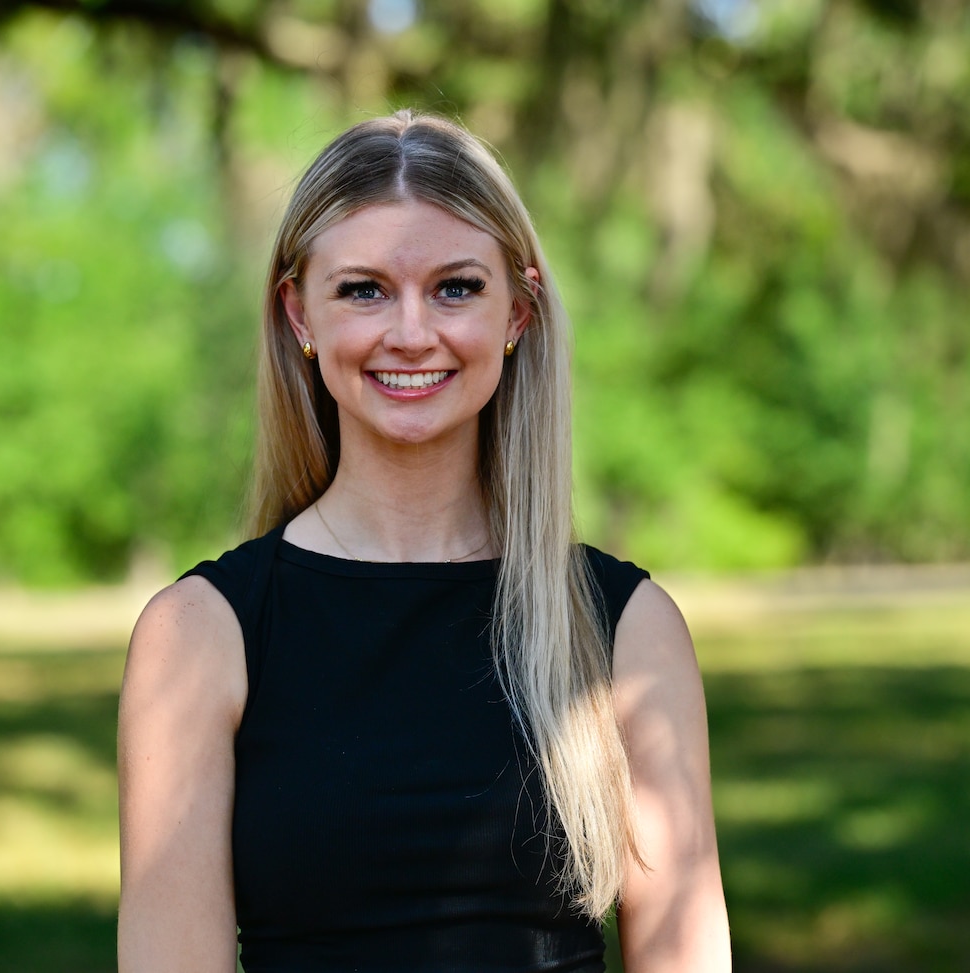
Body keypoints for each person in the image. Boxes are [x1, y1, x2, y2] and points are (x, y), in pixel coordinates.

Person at [116, 109, 730, 972]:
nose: (411, 332)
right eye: (363, 289)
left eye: (456, 287)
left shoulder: (626, 629)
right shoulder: (199, 636)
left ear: (518, 310)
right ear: (299, 315)